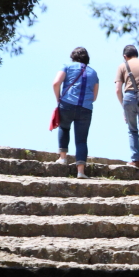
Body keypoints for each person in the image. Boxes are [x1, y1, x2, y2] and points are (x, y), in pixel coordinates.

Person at [52, 47, 99, 178]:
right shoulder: (94, 73)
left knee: (64, 127)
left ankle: (62, 158)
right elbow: (94, 97)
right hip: (85, 108)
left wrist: (58, 99)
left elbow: (56, 83)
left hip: (67, 103)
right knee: (82, 140)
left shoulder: (66, 66)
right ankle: (81, 172)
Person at [114, 44, 139, 181]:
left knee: (132, 130)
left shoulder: (122, 66)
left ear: (125, 56)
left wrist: (123, 107)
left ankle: (135, 160)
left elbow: (118, 90)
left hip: (129, 98)